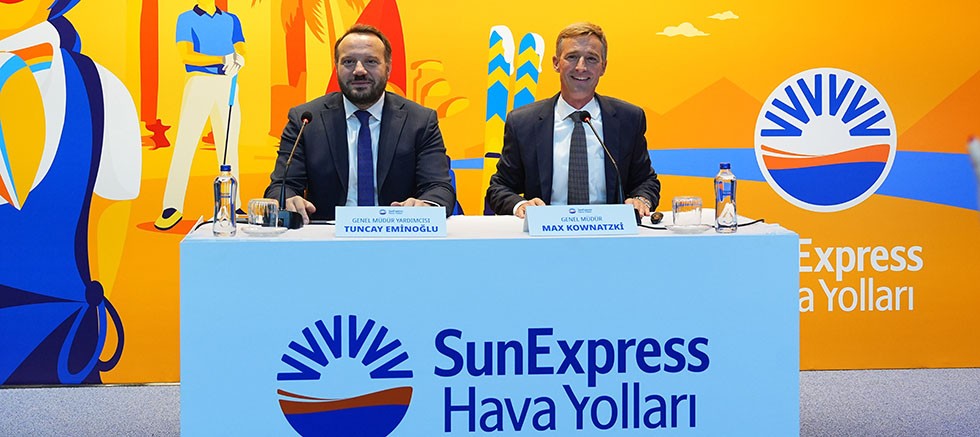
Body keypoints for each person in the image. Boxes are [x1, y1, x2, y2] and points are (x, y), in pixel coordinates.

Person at [264, 24, 455, 222]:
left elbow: (439, 187)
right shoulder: (306, 120)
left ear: (388, 68)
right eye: (348, 62)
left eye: (371, 61)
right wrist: (288, 199)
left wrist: (425, 205)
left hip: (397, 232)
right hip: (328, 235)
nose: (359, 71)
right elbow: (281, 186)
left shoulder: (420, 121)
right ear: (336, 68)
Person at [487, 22, 660, 218]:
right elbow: (499, 187)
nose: (581, 67)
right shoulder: (522, 122)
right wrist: (520, 205)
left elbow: (646, 181)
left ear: (603, 67)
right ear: (556, 63)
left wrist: (641, 199)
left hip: (610, 230)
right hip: (546, 231)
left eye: (591, 59)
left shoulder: (628, 119)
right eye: (572, 57)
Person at [155, 0, 246, 231]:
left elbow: (241, 49)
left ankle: (233, 205)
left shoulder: (231, 19)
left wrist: (238, 60)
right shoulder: (186, 18)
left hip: (228, 83)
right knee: (185, 143)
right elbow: (186, 55)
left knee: (229, 146)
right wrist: (223, 58)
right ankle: (172, 206)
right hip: (199, 82)